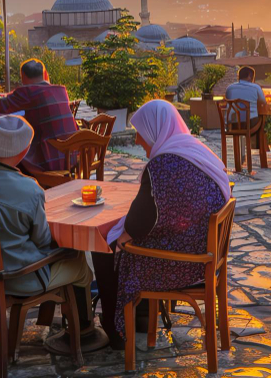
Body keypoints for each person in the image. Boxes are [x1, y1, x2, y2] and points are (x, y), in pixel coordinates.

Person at [91, 100, 230, 348]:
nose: (136, 141)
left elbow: (139, 221)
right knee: (121, 244)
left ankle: (117, 333)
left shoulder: (163, 165)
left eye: (140, 133)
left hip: (186, 262)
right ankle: (141, 319)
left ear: (156, 130)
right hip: (205, 252)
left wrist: (121, 240)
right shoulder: (195, 150)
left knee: (106, 249)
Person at [0, 116, 93, 332]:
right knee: (79, 261)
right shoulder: (29, 189)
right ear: (24, 150)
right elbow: (43, 242)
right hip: (16, 279)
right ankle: (84, 332)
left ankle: (48, 322)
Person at [0, 59, 78, 173]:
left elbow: (0, 106)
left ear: (23, 76)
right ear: (43, 74)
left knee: (11, 151)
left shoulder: (28, 91)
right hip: (72, 156)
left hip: (51, 158)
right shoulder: (60, 90)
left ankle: (14, 184)